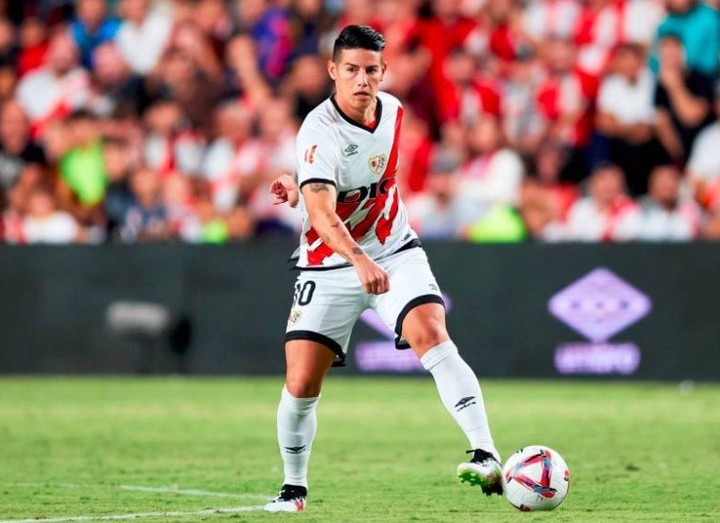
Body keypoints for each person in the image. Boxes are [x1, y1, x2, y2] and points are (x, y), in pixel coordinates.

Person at [263, 25, 502, 513]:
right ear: (333, 71)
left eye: (371, 70)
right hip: (332, 262)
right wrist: (348, 248)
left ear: (383, 72)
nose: (362, 80)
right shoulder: (317, 131)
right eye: (350, 70)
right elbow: (326, 214)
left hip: (394, 249)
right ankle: (293, 489)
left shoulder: (394, 112)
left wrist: (309, 200)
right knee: (301, 383)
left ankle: (485, 452)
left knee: (431, 332)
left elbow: (359, 187)